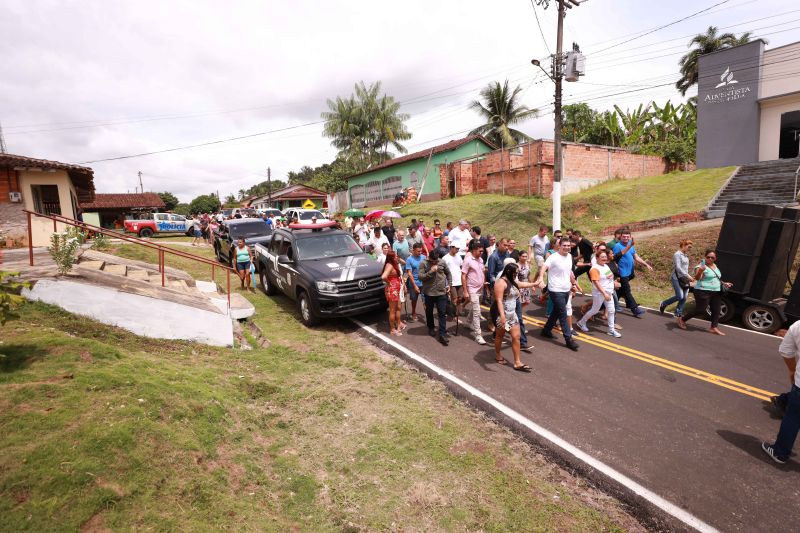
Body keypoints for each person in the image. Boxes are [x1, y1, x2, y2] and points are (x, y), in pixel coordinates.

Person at [763, 320, 800, 464]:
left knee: (793, 418)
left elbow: (786, 351)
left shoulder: (797, 326)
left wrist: (792, 370)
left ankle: (780, 452)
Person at [493, 262, 538, 372]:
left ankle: (517, 362)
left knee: (516, 337)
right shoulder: (501, 283)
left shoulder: (512, 281)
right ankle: (498, 355)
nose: (516, 275)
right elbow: (498, 300)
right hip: (502, 315)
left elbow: (522, 284)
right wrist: (502, 316)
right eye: (515, 273)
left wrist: (535, 283)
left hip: (512, 315)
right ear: (509, 272)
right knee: (500, 336)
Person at [536, 239, 579, 351]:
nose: (567, 247)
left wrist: (574, 283)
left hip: (566, 288)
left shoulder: (569, 256)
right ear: (559, 246)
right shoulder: (553, 257)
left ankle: (546, 330)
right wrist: (541, 278)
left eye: (568, 245)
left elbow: (569, 271)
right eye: (564, 245)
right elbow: (544, 268)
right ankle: (568, 339)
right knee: (563, 313)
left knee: (557, 311)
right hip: (555, 289)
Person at [677, 249, 732, 335]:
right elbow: (697, 279)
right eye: (708, 257)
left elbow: (716, 277)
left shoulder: (715, 265)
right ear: (705, 257)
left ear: (715, 258)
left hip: (716, 291)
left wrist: (724, 283)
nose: (710, 259)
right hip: (702, 291)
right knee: (701, 309)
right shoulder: (700, 266)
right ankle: (682, 319)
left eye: (712, 257)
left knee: (716, 310)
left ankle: (713, 327)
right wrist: (700, 271)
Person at [575, 250, 621, 338]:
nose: (604, 258)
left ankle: (611, 330)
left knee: (611, 310)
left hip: (608, 292)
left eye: (605, 257)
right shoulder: (594, 269)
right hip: (600, 293)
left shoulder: (605, 266)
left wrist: (614, 282)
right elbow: (596, 282)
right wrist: (604, 293)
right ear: (597, 258)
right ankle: (581, 323)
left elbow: (609, 277)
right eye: (602, 257)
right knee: (595, 310)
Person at [612, 230, 653, 318]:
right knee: (627, 290)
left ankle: (608, 304)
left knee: (620, 291)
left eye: (627, 236)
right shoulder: (617, 246)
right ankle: (635, 309)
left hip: (630, 273)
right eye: (624, 236)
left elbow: (635, 256)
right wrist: (616, 274)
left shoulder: (631, 244)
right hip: (622, 274)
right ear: (621, 237)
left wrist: (646, 264)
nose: (626, 238)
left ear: (630, 237)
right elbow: (614, 260)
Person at [418, 249, 452, 346]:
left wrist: (449, 284)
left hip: (441, 292)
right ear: (429, 258)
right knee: (429, 312)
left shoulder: (442, 262)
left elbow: (448, 273)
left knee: (442, 313)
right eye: (433, 261)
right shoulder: (423, 263)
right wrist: (431, 271)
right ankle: (431, 327)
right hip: (429, 293)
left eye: (436, 260)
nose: (435, 262)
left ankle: (442, 334)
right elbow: (420, 277)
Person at [659, 239, 694, 319]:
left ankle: (678, 312)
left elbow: (685, 269)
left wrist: (688, 277)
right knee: (680, 296)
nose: (690, 249)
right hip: (676, 278)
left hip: (684, 278)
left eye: (690, 247)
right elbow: (678, 268)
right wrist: (688, 276)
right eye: (689, 247)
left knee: (684, 297)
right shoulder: (677, 254)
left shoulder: (685, 255)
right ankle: (664, 303)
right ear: (684, 245)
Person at [461, 239, 487, 345]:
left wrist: (484, 283)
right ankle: (478, 335)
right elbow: (463, 275)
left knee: (474, 308)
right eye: (480, 251)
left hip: (480, 288)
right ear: (474, 250)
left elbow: (482, 271)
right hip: (472, 289)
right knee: (477, 312)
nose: (482, 253)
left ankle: (467, 322)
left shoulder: (480, 260)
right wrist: (465, 291)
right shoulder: (468, 260)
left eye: (482, 251)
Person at [381, 250, 405, 336]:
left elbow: (404, 262)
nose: (396, 257)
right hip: (392, 290)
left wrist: (398, 258)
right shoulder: (390, 265)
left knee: (398, 307)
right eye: (395, 256)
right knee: (392, 310)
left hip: (396, 288)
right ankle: (392, 329)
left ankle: (397, 325)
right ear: (391, 258)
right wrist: (389, 283)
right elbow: (383, 276)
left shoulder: (393, 263)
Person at [404, 243, 426, 321]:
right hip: (414, 283)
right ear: (413, 250)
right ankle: (413, 312)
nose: (420, 253)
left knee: (425, 300)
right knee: (414, 300)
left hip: (423, 283)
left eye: (421, 251)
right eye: (418, 251)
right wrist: (415, 285)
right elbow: (409, 273)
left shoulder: (424, 257)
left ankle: (428, 316)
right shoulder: (409, 259)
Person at [443, 244, 464, 317]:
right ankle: (453, 314)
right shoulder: (445, 258)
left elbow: (461, 266)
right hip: (451, 281)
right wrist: (446, 283)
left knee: (460, 298)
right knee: (454, 299)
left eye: (458, 249)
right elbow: (443, 271)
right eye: (456, 248)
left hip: (459, 280)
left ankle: (457, 312)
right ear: (451, 248)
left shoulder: (458, 256)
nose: (457, 250)